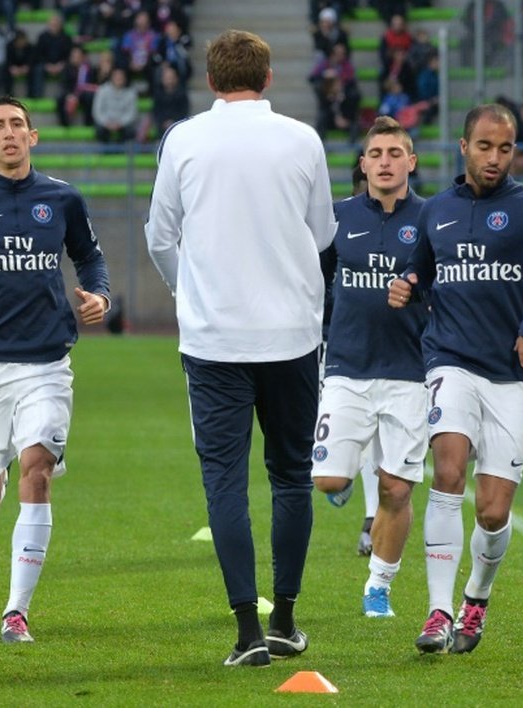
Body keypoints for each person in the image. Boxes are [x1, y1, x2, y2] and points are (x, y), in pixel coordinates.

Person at [145, 29, 337, 667]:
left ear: (209, 79)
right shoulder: (302, 139)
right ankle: (284, 620)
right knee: (291, 476)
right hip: (291, 336)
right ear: (269, 77)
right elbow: (323, 233)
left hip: (214, 338)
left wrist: (187, 293)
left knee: (224, 481)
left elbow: (158, 235)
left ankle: (247, 633)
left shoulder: (184, 139)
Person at [388, 103, 523, 655]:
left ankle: (475, 600)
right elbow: (421, 270)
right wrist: (407, 283)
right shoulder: (435, 210)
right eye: (484, 147)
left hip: (513, 375)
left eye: (505, 148)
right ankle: (437, 613)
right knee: (447, 469)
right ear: (463, 147)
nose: (494, 158)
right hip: (449, 360)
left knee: (492, 510)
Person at [0, 96, 110, 643]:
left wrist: (101, 296)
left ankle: (14, 612)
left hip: (46, 362)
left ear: (33, 136)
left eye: (17, 124)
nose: (9, 133)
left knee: (38, 468)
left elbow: (90, 258)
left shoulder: (61, 198)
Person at [311, 116, 429, 619]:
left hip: (411, 373)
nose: (385, 162)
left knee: (395, 489)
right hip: (345, 367)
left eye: (394, 153)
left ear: (411, 162)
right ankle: (340, 478)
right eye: (376, 154)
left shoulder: (432, 219)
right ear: (362, 164)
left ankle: (378, 586)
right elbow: (312, 284)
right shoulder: (335, 219)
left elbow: (451, 286)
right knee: (329, 482)